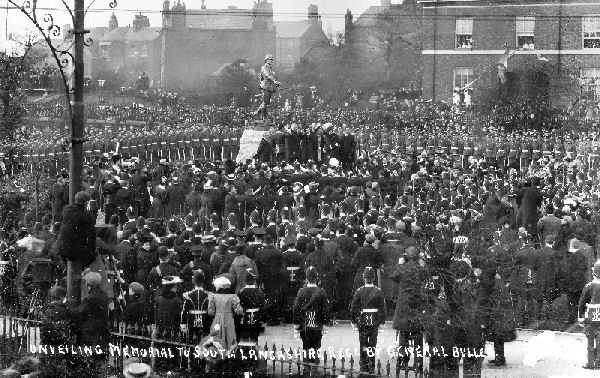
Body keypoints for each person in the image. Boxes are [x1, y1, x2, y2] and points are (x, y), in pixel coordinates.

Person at [350, 267, 386, 373]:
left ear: (364, 278)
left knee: (363, 344)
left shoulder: (359, 291)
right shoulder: (379, 291)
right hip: (374, 320)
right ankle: (371, 366)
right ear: (374, 278)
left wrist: (353, 321)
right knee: (373, 344)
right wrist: (382, 322)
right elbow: (382, 308)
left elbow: (354, 308)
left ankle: (363, 366)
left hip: (362, 320)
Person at [293, 266, 330, 365]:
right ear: (316, 277)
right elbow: (326, 309)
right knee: (316, 346)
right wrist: (326, 324)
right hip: (317, 324)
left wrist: (296, 325)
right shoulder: (321, 292)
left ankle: (307, 366)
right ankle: (315, 367)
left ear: (306, 277)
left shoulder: (301, 291)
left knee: (306, 346)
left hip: (305, 324)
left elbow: (296, 308)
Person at [55, 191, 97, 268]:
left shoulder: (66, 209)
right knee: (92, 257)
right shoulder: (86, 216)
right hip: (74, 249)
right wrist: (93, 250)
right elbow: (92, 235)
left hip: (60, 247)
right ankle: (80, 276)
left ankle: (68, 274)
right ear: (86, 203)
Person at [207, 275, 243, 350]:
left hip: (217, 320)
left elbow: (210, 312)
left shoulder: (213, 297)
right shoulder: (233, 297)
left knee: (216, 337)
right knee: (230, 338)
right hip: (229, 319)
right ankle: (229, 355)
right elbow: (238, 311)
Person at [578, 260, 600, 370]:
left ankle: (590, 362)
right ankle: (599, 362)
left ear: (593, 273)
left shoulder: (589, 286)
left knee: (590, 340)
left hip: (591, 316)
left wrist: (581, 318)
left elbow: (581, 303)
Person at [78, 271, 110, 347]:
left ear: (88, 284)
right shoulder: (104, 295)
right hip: (102, 331)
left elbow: (80, 311)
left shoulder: (90, 297)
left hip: (91, 333)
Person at [253, 54, 280, 120]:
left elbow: (273, 76)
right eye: (269, 59)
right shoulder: (264, 67)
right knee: (265, 102)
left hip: (269, 87)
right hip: (265, 86)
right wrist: (274, 81)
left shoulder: (270, 68)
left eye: (271, 60)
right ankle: (263, 116)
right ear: (266, 60)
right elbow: (268, 75)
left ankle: (258, 112)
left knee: (267, 102)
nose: (271, 61)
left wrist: (277, 81)